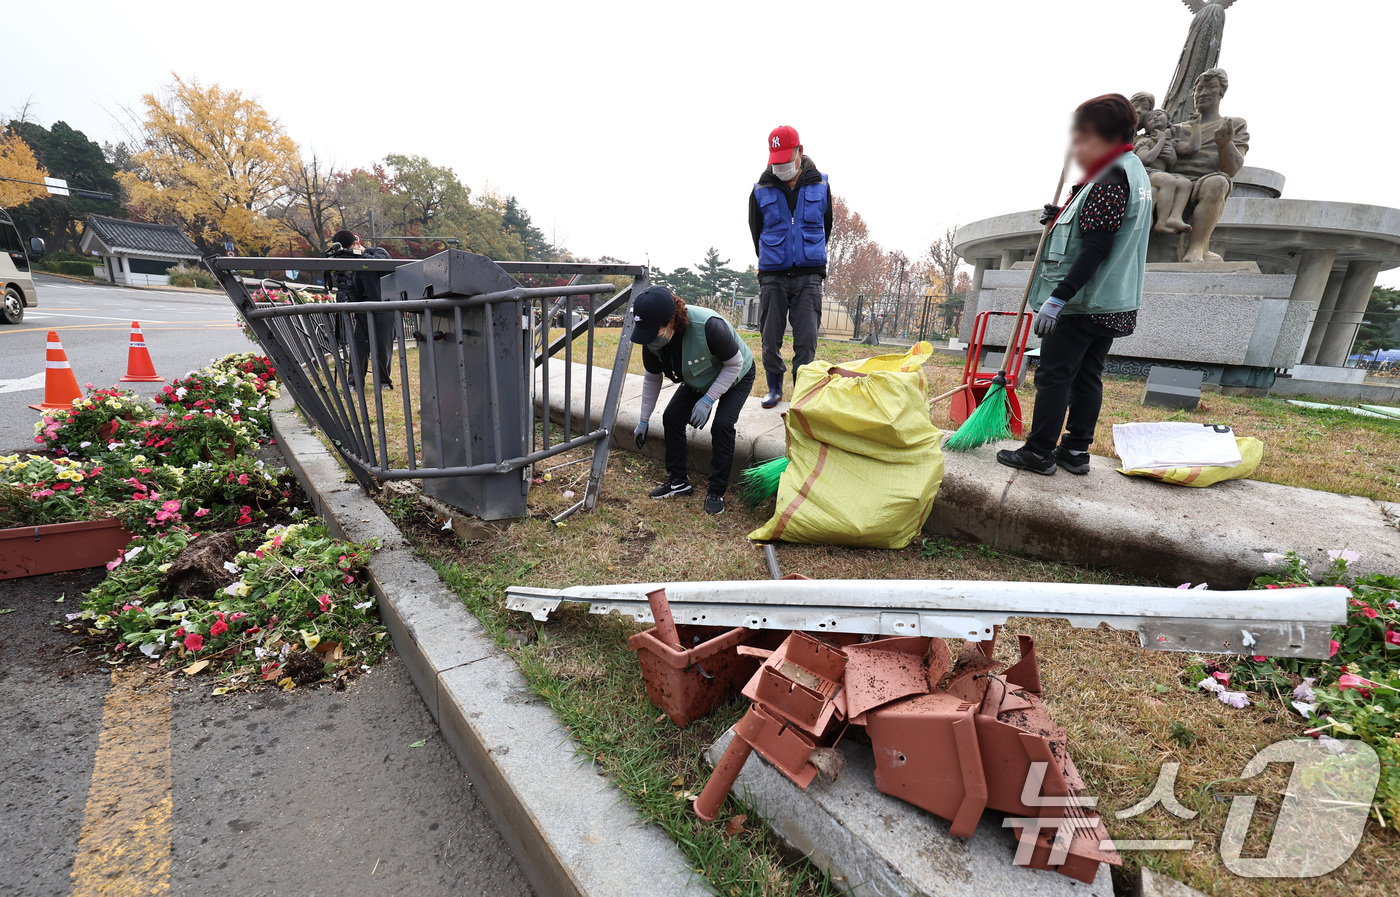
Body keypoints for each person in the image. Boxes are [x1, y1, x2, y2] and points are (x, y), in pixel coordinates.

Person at [997, 94, 1151, 477]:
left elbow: (1098, 245)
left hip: (1086, 300)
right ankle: (1076, 451)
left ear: (1103, 134)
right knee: (1087, 375)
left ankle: (1039, 452)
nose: (1078, 144)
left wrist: (1058, 298)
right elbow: (1102, 226)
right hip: (1114, 301)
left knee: (1054, 375)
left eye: (1083, 134)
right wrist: (1064, 212)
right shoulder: (1131, 170)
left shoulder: (1110, 175)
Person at [629, 285, 756, 516]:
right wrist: (644, 419)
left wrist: (708, 400)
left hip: (736, 374)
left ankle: (717, 490)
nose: (649, 340)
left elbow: (734, 364)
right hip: (699, 376)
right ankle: (679, 481)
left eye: (653, 332)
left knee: (722, 426)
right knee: (672, 417)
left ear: (670, 322)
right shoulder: (651, 340)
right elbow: (652, 378)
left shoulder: (708, 326)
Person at [748, 125, 832, 408]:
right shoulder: (760, 189)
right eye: (776, 161)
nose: (781, 166)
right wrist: (773, 260)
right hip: (773, 275)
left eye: (786, 160)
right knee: (770, 337)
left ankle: (802, 392)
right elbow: (755, 231)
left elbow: (826, 226)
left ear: (800, 152)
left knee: (806, 339)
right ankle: (774, 388)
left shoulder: (821, 184)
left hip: (809, 275)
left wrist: (809, 255)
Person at [329, 229, 394, 389]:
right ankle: (355, 382)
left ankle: (383, 381)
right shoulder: (353, 260)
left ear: (357, 243)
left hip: (384, 305)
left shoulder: (378, 252)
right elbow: (350, 284)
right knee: (358, 345)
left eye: (350, 250)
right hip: (362, 309)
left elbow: (383, 267)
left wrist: (357, 255)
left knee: (382, 345)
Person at [1134, 108, 1199, 234]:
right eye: (1150, 118)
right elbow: (1147, 159)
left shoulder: (1172, 142)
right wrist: (1160, 142)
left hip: (1160, 174)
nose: (1155, 118)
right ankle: (1161, 222)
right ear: (1146, 127)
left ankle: (1175, 217)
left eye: (1159, 115)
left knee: (1185, 183)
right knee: (1167, 181)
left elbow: (1193, 148)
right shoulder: (1145, 141)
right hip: (1146, 173)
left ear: (1168, 121)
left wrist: (1196, 126)